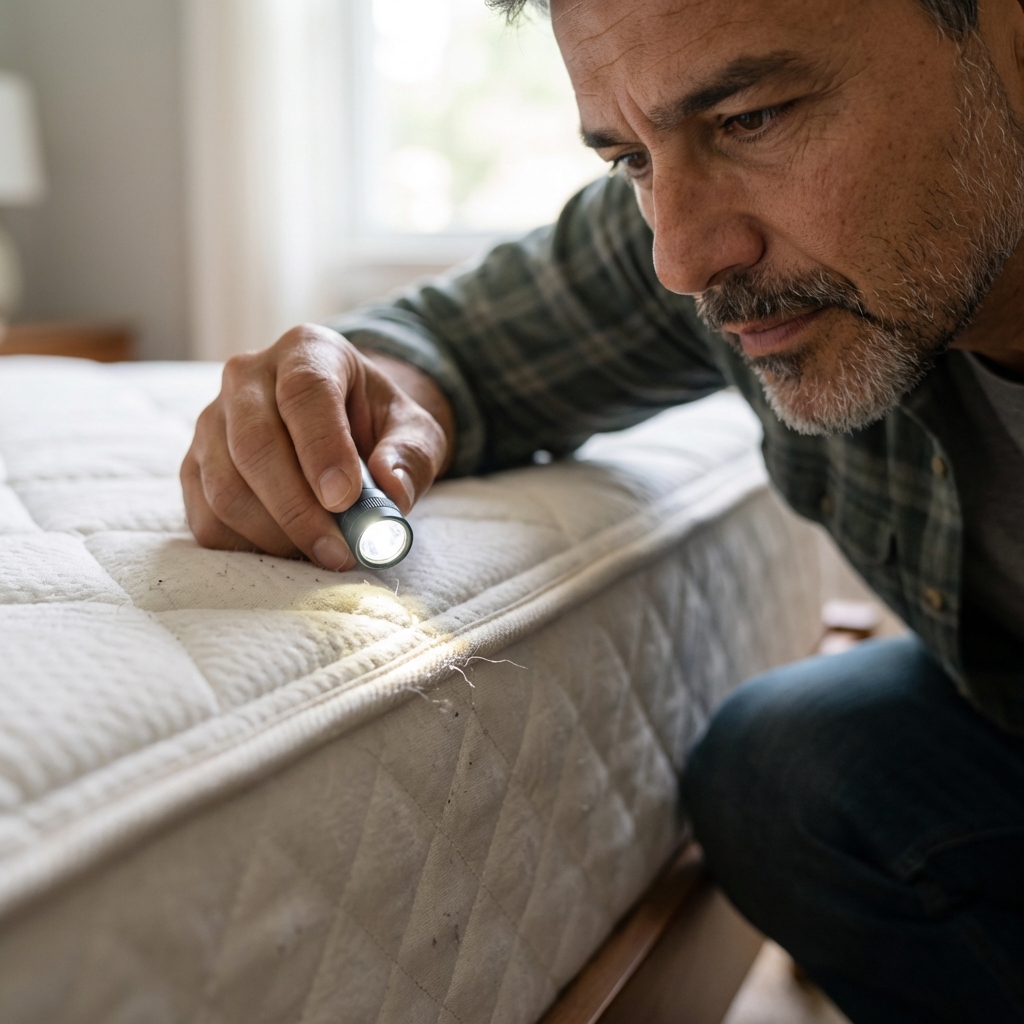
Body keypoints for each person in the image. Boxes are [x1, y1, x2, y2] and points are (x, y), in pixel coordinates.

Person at [180, 0, 1024, 1018]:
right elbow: (445, 343)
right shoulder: (735, 247)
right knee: (784, 764)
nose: (682, 258)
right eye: (629, 159)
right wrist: (331, 400)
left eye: (750, 117)